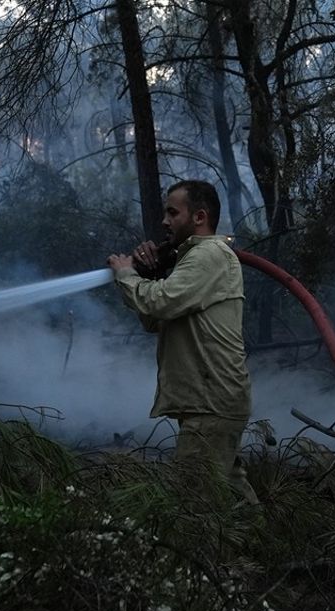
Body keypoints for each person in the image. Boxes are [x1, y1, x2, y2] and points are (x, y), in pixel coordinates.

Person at [106, 180, 257, 505]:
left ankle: (220, 556)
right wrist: (147, 275)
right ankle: (264, 550)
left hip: (212, 402)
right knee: (230, 494)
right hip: (210, 400)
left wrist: (127, 274)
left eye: (173, 212)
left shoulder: (208, 255)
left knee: (195, 502)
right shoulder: (193, 260)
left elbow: (158, 303)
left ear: (199, 217)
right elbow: (156, 320)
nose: (164, 221)